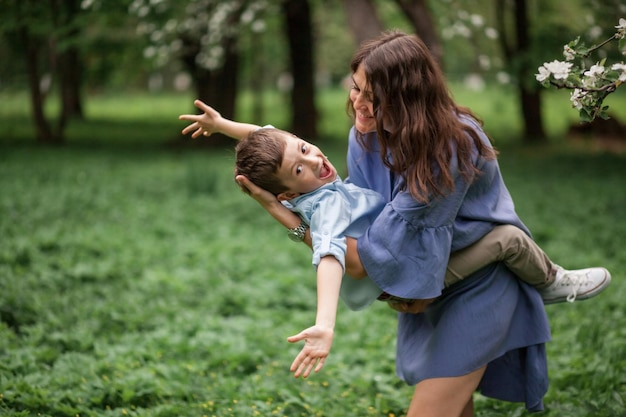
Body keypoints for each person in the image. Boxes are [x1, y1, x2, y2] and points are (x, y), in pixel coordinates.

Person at [179, 31, 611, 416]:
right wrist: (239, 148)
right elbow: (363, 235)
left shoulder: (452, 147)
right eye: (356, 89)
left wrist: (281, 215)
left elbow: (362, 260)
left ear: (408, 100)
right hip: (421, 279)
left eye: (374, 97)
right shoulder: (365, 136)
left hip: (476, 281)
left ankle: (549, 278)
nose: (359, 104)